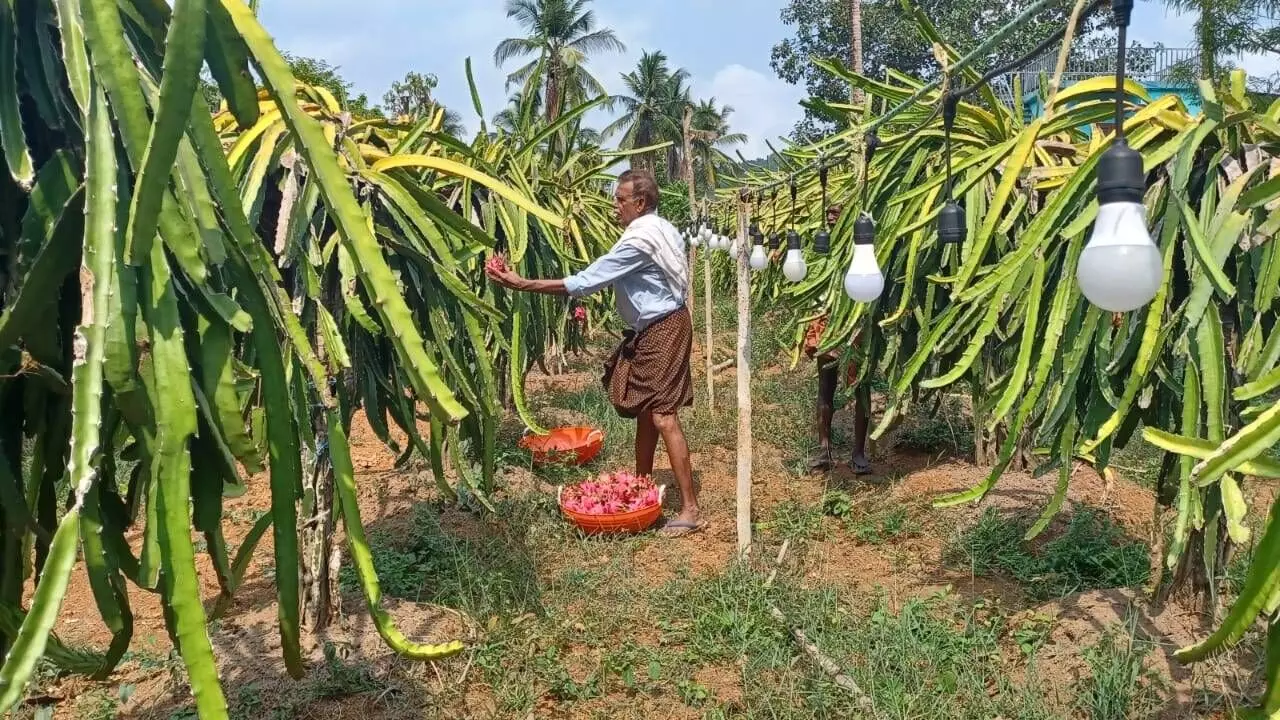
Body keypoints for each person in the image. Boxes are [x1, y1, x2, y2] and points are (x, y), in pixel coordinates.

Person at [485, 169, 704, 537]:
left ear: (641, 202)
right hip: (658, 325)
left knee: (664, 415)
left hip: (663, 326)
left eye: (620, 199)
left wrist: (522, 283)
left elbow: (586, 281)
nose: (614, 205)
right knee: (648, 412)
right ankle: (641, 486)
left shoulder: (638, 242)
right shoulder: (660, 228)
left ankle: (690, 509)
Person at [805, 203, 872, 475]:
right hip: (826, 319)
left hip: (855, 320)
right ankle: (824, 450)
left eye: (836, 211)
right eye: (828, 212)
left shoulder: (862, 242)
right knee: (825, 384)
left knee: (861, 386)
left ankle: (858, 452)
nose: (830, 216)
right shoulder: (820, 244)